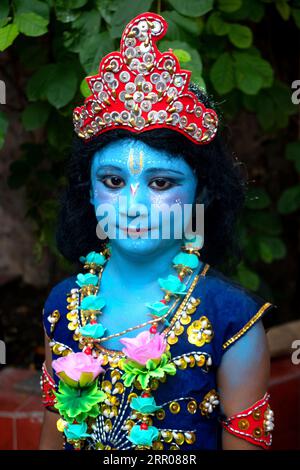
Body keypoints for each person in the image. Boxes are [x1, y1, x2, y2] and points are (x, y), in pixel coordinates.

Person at [39, 12, 275, 451]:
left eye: (161, 183)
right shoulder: (62, 305)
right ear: (88, 193)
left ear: (201, 195)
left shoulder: (232, 319)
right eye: (112, 182)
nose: (133, 206)